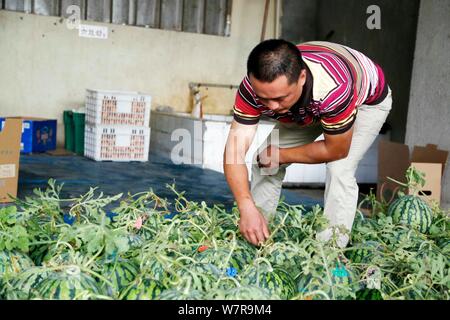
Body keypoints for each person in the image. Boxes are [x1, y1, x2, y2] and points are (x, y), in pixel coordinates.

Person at [223, 39, 391, 248]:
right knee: (264, 160)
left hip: (367, 102)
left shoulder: (333, 89)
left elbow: (336, 150)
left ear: (301, 77)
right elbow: (234, 153)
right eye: (264, 99)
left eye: (280, 98)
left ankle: (329, 252)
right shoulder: (252, 89)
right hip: (308, 109)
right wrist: (245, 206)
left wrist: (282, 155)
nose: (273, 107)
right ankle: (257, 233)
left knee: (340, 169)